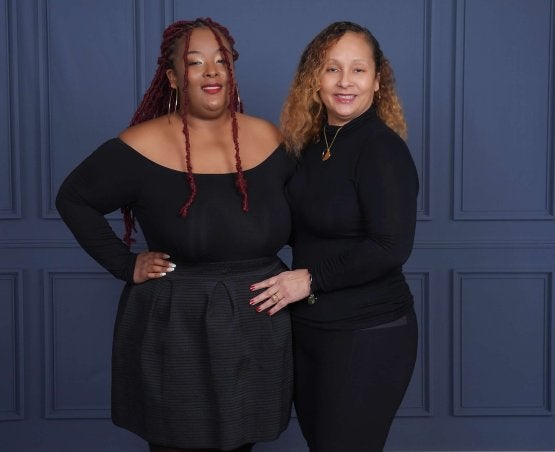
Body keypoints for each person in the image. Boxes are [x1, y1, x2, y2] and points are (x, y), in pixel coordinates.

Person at [56, 18, 294, 452]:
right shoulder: (141, 144)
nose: (211, 72)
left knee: (243, 443)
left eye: (222, 61)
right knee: (176, 442)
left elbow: (312, 215)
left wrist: (312, 278)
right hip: (176, 323)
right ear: (172, 77)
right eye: (195, 62)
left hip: (257, 320)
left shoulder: (271, 138)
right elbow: (73, 198)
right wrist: (124, 263)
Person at [249, 21, 419, 451]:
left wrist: (308, 279)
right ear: (315, 79)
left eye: (358, 70)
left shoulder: (382, 149)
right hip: (310, 329)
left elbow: (391, 247)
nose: (345, 82)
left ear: (377, 81)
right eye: (332, 69)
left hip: (368, 332)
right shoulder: (310, 144)